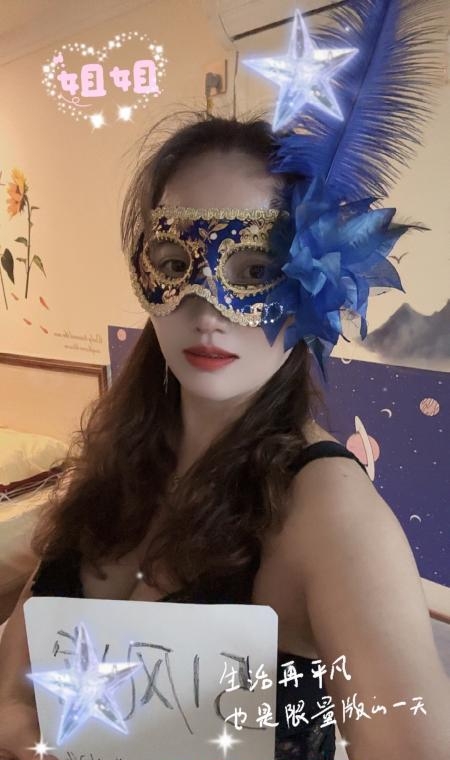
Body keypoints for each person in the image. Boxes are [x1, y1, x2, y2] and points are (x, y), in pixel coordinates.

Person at [0, 112, 449, 760]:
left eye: (254, 269)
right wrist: (15, 716)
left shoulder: (330, 512)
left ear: (314, 286)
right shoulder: (119, 456)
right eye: (175, 262)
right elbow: (25, 643)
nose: (207, 311)